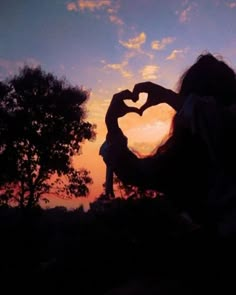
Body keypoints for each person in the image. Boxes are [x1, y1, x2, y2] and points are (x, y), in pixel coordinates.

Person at [100, 52, 236, 236]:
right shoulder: (185, 160)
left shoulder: (221, 130)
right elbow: (138, 172)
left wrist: (171, 98)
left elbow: (220, 123)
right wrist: (112, 127)